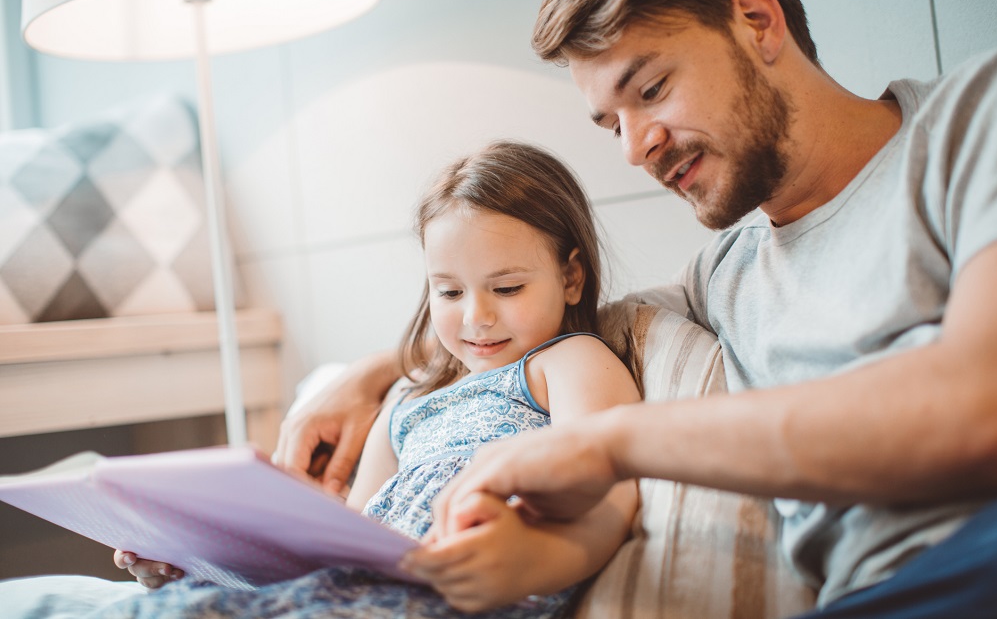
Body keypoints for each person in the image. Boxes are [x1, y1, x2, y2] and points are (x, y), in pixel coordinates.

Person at [276, 0, 997, 616]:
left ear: (757, 21)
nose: (634, 147)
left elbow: (978, 407)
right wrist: (369, 378)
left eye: (650, 90)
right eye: (610, 124)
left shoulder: (974, 123)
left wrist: (609, 445)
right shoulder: (724, 276)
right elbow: (519, 333)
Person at [0, 140, 639, 618]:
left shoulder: (567, 362)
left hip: (470, 590)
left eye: (507, 287)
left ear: (571, 278)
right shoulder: (408, 403)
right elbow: (348, 539)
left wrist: (539, 557)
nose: (477, 316)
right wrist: (199, 560)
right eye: (447, 290)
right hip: (363, 590)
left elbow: (613, 489)